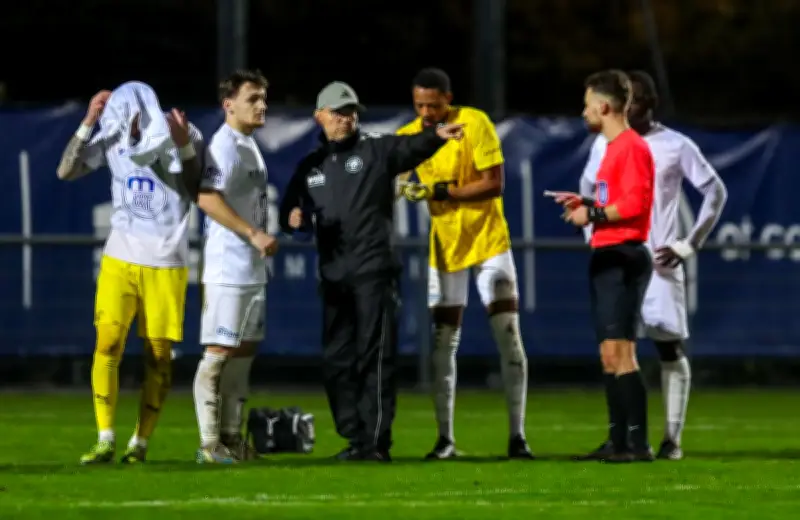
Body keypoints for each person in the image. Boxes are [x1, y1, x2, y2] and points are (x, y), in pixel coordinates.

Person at [279, 81, 465, 461]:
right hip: (333, 276)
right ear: (320, 116)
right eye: (339, 112)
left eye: (352, 112)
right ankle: (354, 437)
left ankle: (375, 442)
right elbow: (289, 211)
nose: (347, 119)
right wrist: (293, 219)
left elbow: (409, 147)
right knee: (336, 361)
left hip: (373, 273)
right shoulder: (310, 166)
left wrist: (436, 136)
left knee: (375, 357)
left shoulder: (376, 150)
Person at [576, 71, 727, 460]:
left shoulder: (673, 145)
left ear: (650, 104)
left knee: (668, 347)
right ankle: (622, 439)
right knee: (615, 350)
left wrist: (688, 243)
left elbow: (714, 190)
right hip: (617, 253)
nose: (630, 106)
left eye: (637, 99)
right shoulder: (604, 143)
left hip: (656, 260)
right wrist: (592, 232)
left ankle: (669, 438)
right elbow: (590, 188)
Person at [56, 82, 204, 464]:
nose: (119, 120)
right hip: (120, 257)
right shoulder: (112, 135)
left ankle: (140, 442)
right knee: (107, 345)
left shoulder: (182, 130)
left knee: (158, 356)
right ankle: (104, 438)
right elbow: (66, 170)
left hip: (166, 262)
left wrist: (184, 146)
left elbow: (197, 189)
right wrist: (88, 121)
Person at [396, 68, 533, 460]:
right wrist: (404, 187)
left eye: (433, 105)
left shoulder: (474, 122)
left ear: (448, 99)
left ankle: (518, 437)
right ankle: (445, 439)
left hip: (489, 241)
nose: (427, 113)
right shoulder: (410, 135)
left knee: (508, 333)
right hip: (446, 247)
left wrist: (441, 191)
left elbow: (494, 183)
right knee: (443, 342)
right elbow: (397, 180)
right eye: (420, 105)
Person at [550, 69, 655, 463]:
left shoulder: (631, 147)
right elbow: (617, 202)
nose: (583, 112)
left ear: (604, 107)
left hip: (623, 255)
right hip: (608, 253)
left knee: (622, 353)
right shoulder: (612, 149)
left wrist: (591, 213)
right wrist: (586, 204)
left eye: (587, 105)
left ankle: (637, 444)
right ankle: (618, 441)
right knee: (609, 355)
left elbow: (636, 205)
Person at [193, 69, 278, 464]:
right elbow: (207, 197)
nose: (262, 105)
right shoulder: (224, 144)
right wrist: (252, 233)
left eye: (263, 98)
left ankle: (231, 438)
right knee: (217, 353)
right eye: (252, 99)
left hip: (251, 268)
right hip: (228, 267)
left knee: (243, 353)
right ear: (229, 105)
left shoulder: (247, 143)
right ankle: (209, 444)